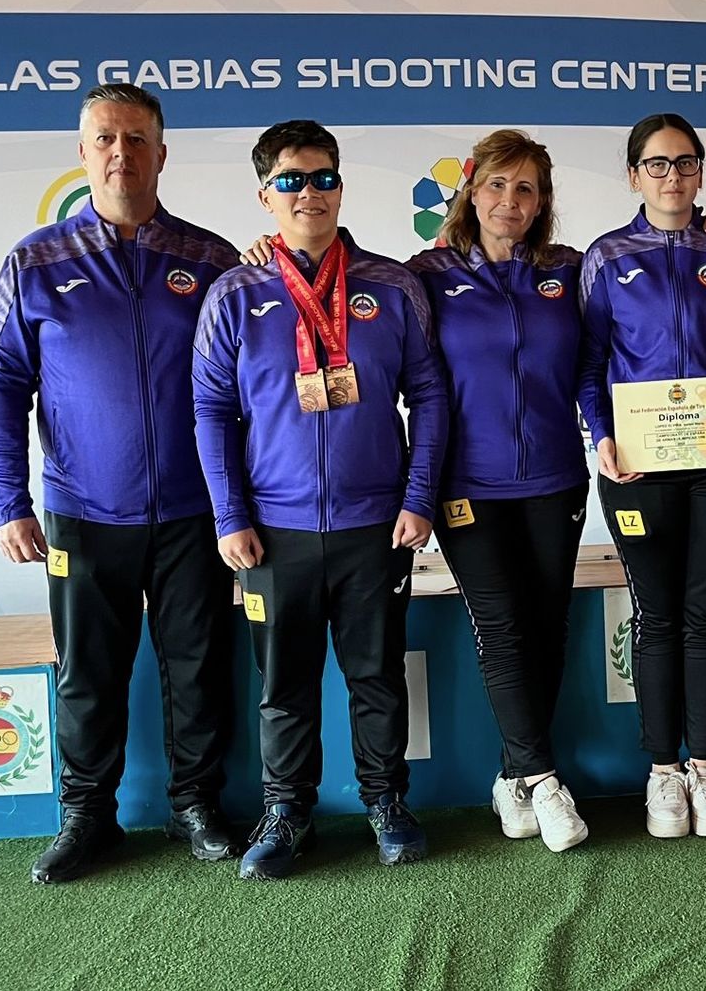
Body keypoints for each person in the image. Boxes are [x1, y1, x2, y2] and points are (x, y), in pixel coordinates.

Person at [0, 83, 241, 883]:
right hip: (85, 511)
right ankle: (88, 813)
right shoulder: (36, 260)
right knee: (88, 669)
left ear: (162, 153)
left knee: (199, 663)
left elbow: (246, 384)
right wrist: (8, 501)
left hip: (197, 511)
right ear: (83, 152)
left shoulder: (211, 258)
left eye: (136, 138)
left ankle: (196, 804)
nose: (121, 153)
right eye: (104, 139)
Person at [192, 120, 448, 880]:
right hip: (275, 530)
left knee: (376, 675)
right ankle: (286, 811)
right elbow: (209, 408)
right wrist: (229, 515)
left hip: (377, 524)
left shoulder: (392, 283)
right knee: (285, 685)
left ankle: (386, 802)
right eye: (292, 179)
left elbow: (429, 394)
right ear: (264, 192)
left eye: (324, 177)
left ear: (342, 185)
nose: (310, 192)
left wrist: (420, 494)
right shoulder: (235, 293)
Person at [578, 112, 706, 838]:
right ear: (634, 175)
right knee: (657, 615)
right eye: (657, 164)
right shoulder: (605, 257)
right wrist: (600, 435)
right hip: (637, 469)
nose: (673, 176)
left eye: (685, 163)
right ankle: (662, 770)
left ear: (701, 171)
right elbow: (590, 363)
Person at [407, 130, 591, 852]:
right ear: (470, 191)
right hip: (467, 485)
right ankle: (544, 780)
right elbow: (346, 282)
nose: (509, 201)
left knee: (547, 626)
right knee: (504, 626)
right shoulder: (425, 273)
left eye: (526, 188)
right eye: (496, 185)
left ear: (541, 200)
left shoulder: (569, 271)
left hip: (554, 478)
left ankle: (512, 774)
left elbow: (598, 355)